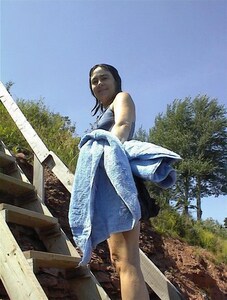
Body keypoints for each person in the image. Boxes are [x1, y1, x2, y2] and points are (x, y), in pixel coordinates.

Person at [89, 63, 149, 300]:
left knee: (127, 260)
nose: (99, 84)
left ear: (116, 81)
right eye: (94, 81)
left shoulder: (122, 98)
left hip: (119, 181)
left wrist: (105, 157)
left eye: (104, 78)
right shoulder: (103, 112)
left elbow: (123, 125)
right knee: (119, 259)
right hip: (109, 184)